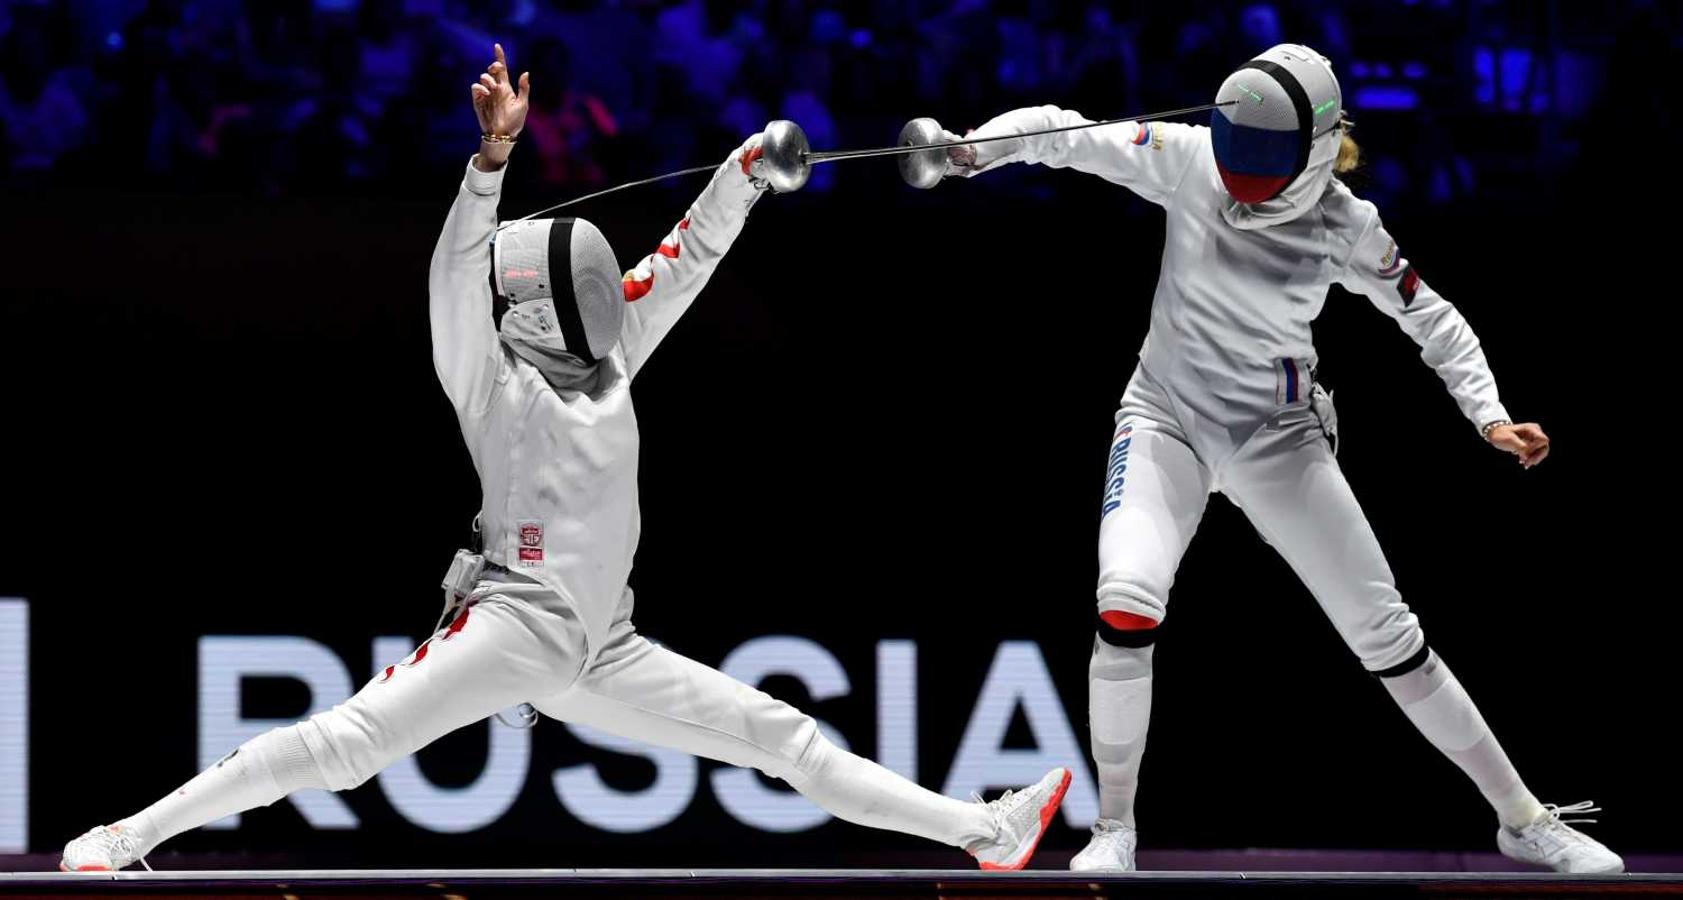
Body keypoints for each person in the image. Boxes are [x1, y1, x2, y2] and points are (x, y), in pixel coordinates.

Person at [60, 44, 1070, 874]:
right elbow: (456, 273)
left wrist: (749, 170)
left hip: (602, 645)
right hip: (512, 623)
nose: (505, 305)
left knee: (787, 740)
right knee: (347, 746)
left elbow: (689, 251)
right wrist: (490, 163)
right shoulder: (491, 381)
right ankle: (127, 836)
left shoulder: (614, 343)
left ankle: (988, 832)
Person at [929, 43, 1620, 874]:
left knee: (1387, 632)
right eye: (1235, 146)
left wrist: (1489, 415)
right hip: (1164, 418)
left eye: (1261, 154)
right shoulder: (1188, 160)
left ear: (1317, 145)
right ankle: (1113, 830)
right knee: (1125, 599)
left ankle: (1520, 817)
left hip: (1276, 436)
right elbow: (1064, 132)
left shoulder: (1344, 224)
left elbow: (1430, 319)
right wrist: (974, 149)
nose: (1241, 170)